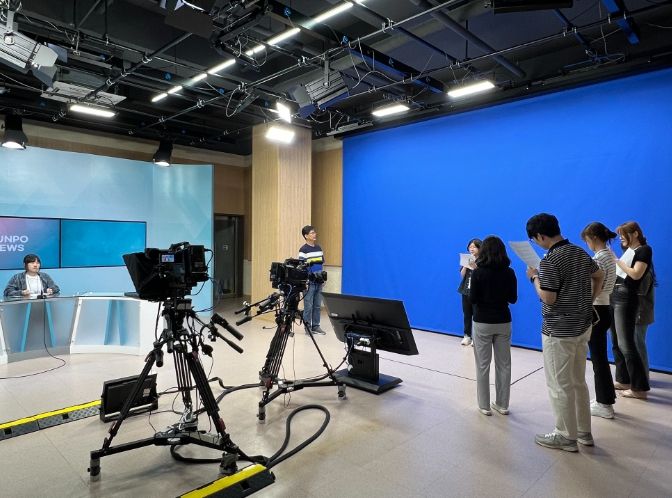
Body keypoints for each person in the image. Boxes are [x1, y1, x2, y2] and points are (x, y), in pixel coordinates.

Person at [526, 213, 604, 452]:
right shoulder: (579, 252)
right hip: (582, 326)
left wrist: (534, 278)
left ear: (540, 236)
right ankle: (583, 432)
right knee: (578, 380)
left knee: (559, 384)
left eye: (534, 239)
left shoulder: (549, 260)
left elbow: (548, 297)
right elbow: (599, 275)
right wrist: (588, 300)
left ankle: (565, 435)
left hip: (558, 331)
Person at [469, 236, 517, 416]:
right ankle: (502, 405)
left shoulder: (478, 273)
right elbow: (513, 298)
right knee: (504, 365)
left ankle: (484, 406)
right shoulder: (509, 272)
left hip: (482, 321)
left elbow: (472, 299)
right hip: (503, 320)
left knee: (483, 365)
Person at [610, 221, 652, 399]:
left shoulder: (644, 250)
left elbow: (635, 274)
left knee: (626, 344)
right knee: (616, 342)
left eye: (624, 234)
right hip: (615, 294)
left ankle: (639, 388)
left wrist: (617, 262)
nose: (621, 238)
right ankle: (623, 379)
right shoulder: (629, 251)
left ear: (635, 234)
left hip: (626, 297)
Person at [581, 222, 618, 419]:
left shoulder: (598, 258)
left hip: (597, 309)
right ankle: (605, 399)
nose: (587, 244)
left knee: (598, 359)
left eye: (587, 240)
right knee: (600, 358)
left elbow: (593, 285)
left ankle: (605, 404)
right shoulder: (609, 255)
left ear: (593, 238)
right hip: (605, 307)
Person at [299, 225, 326, 335]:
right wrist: (305, 281)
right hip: (309, 282)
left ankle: (316, 326)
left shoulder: (319, 248)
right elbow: (302, 267)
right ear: (306, 236)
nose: (315, 234)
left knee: (317, 305)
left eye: (315, 232)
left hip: (319, 281)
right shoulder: (303, 250)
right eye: (312, 233)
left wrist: (323, 278)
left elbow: (321, 264)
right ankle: (307, 327)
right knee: (308, 306)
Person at [457, 238, 482, 346]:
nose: (471, 249)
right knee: (467, 314)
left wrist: (475, 267)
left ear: (480, 248)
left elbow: (482, 276)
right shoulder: (466, 259)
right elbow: (462, 275)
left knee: (477, 315)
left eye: (474, 247)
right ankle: (467, 336)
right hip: (465, 291)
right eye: (470, 247)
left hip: (477, 293)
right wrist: (465, 265)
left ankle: (477, 338)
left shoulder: (483, 261)